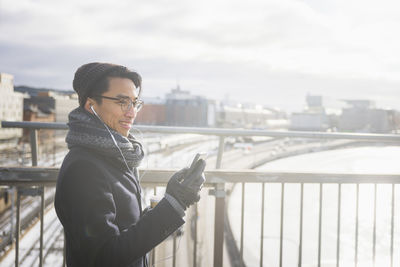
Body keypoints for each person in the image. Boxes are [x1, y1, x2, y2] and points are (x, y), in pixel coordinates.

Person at [55, 62, 206, 267]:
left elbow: (123, 227)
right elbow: (104, 256)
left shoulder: (116, 156)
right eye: (122, 102)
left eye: (135, 103)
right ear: (91, 106)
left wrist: (169, 199)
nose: (132, 113)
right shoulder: (84, 169)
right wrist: (174, 204)